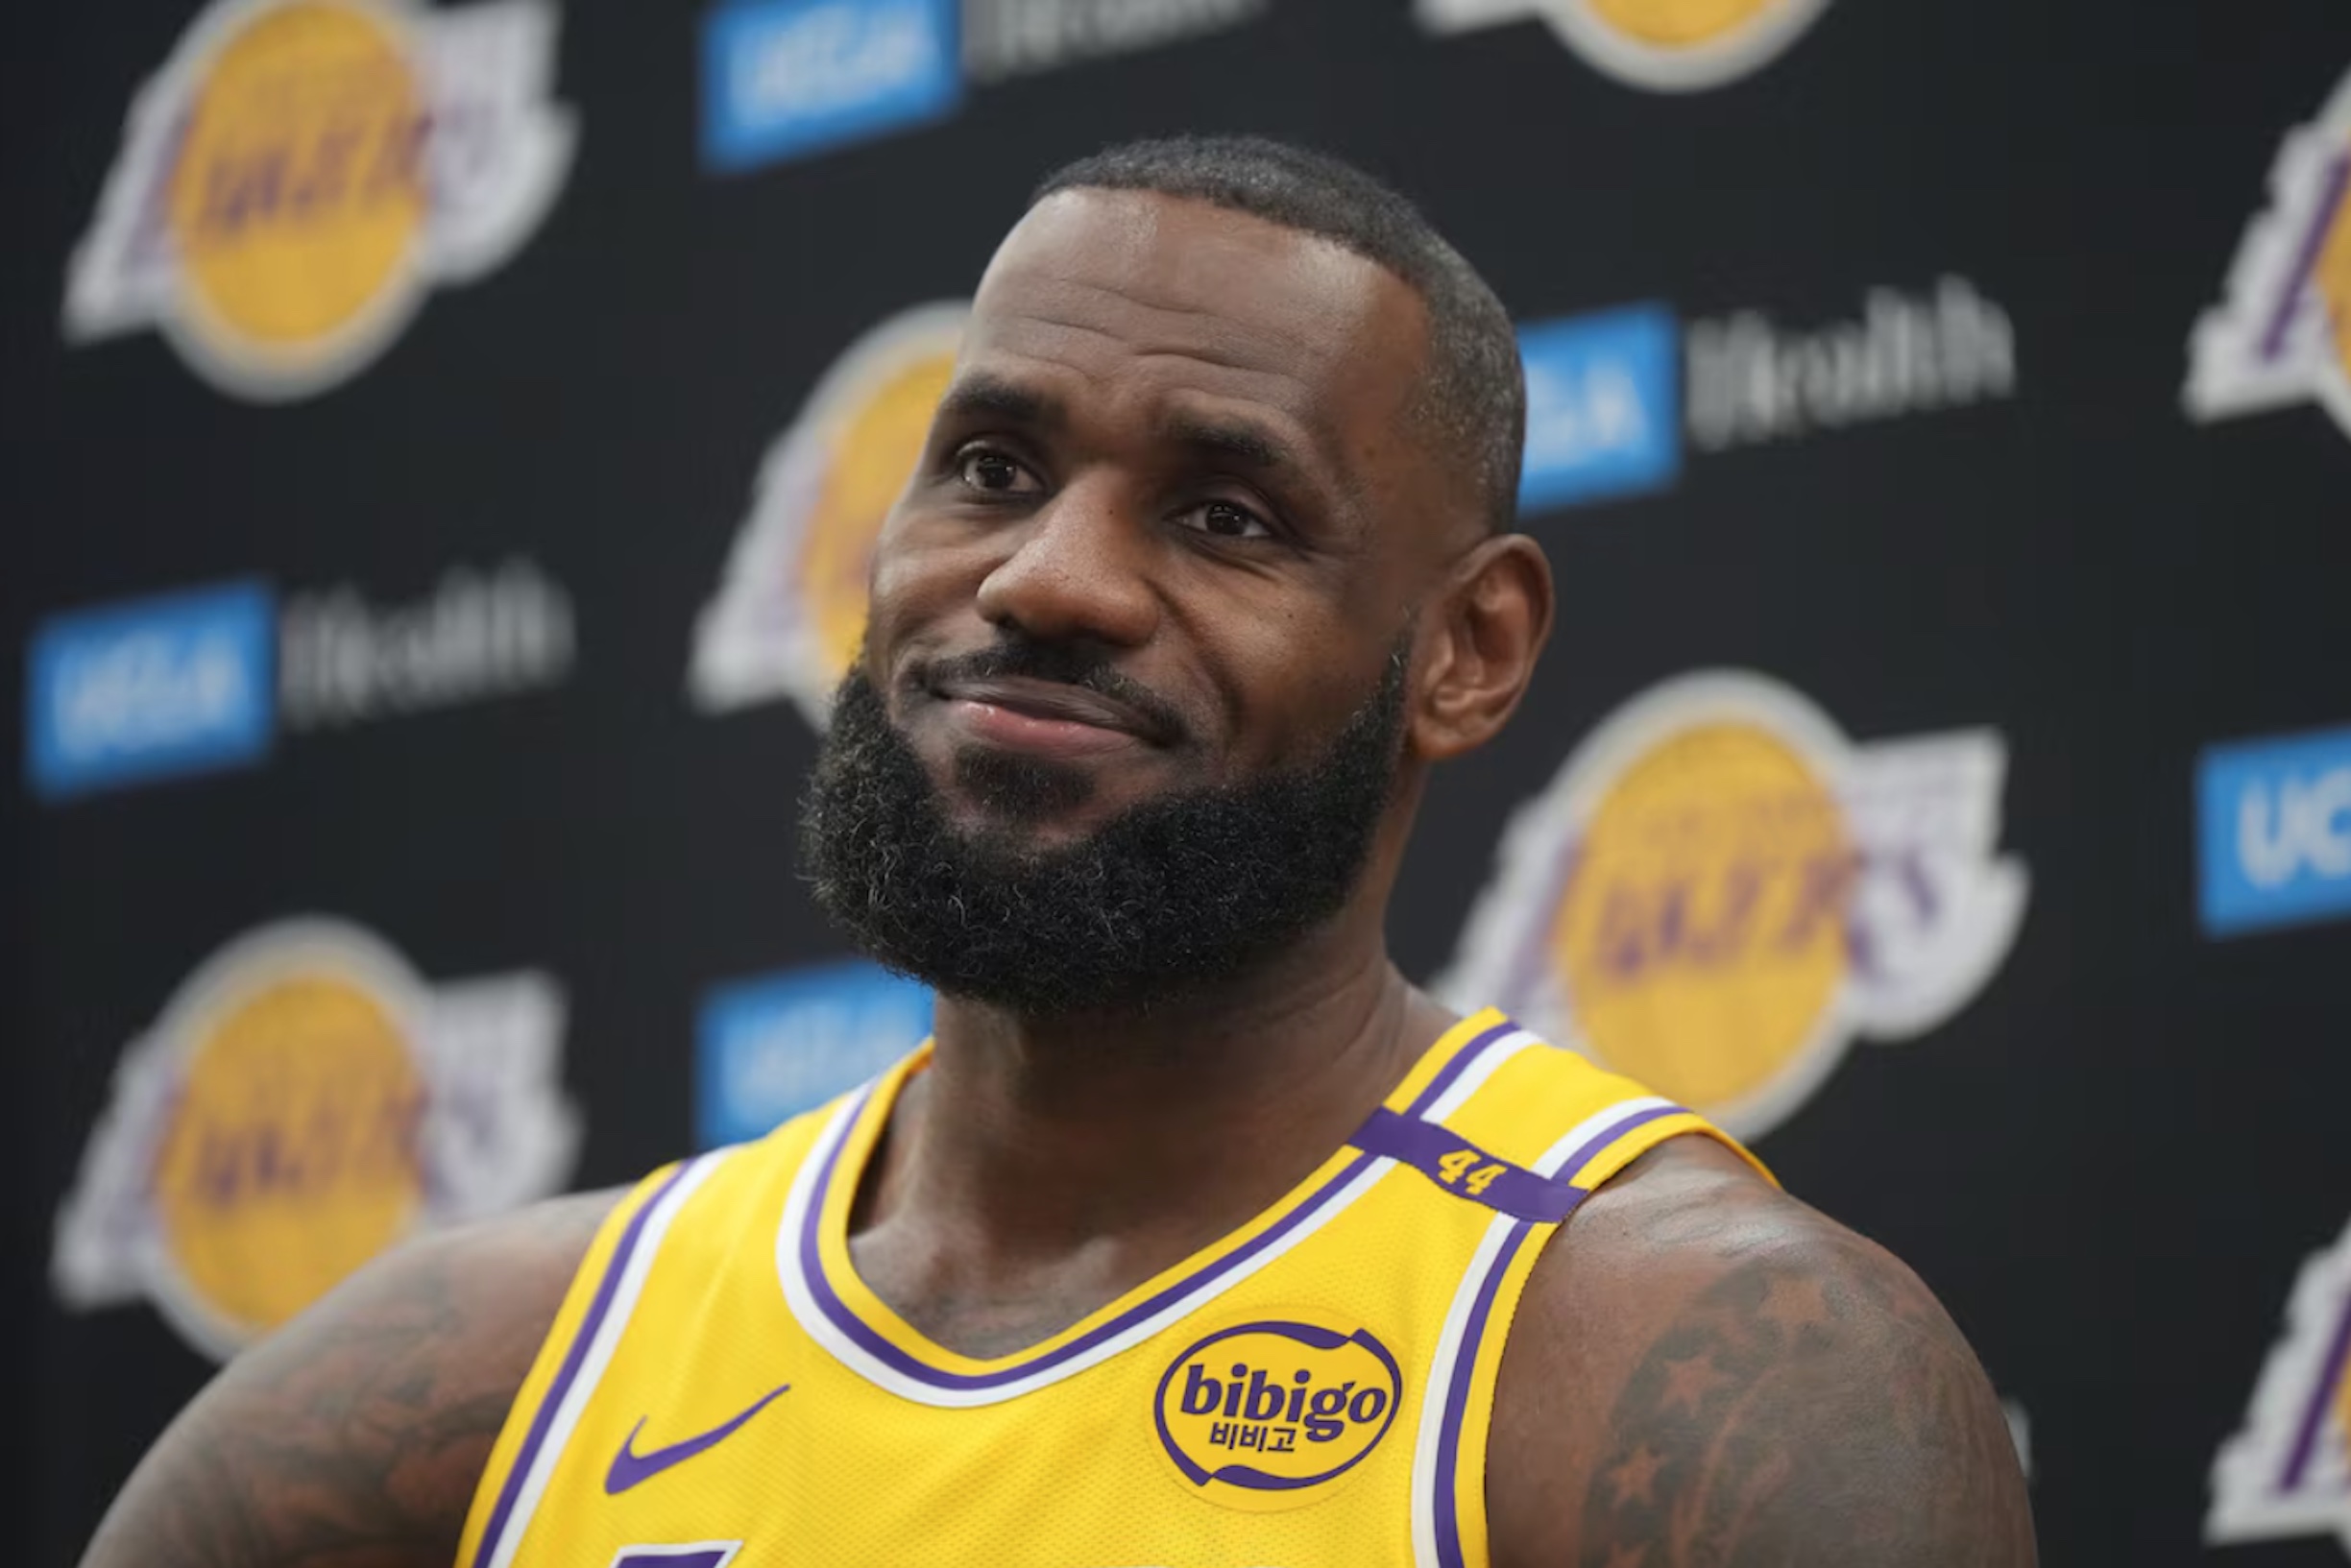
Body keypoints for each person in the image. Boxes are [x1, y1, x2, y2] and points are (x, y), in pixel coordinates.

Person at [79, 136, 2035, 1568]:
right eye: (995, 468)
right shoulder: (462, 1399)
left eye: (1228, 515)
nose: (1049, 580)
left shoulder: (1690, 1372)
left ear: (1468, 647)